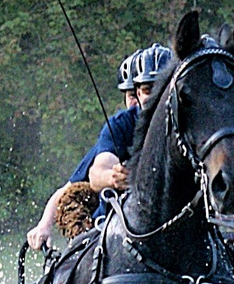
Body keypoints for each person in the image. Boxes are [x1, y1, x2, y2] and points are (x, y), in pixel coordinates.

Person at [26, 43, 172, 249]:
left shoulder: (189, 124)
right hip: (115, 231)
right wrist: (44, 225)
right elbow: (93, 175)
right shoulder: (120, 126)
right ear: (137, 94)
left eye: (162, 89)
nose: (155, 97)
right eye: (146, 90)